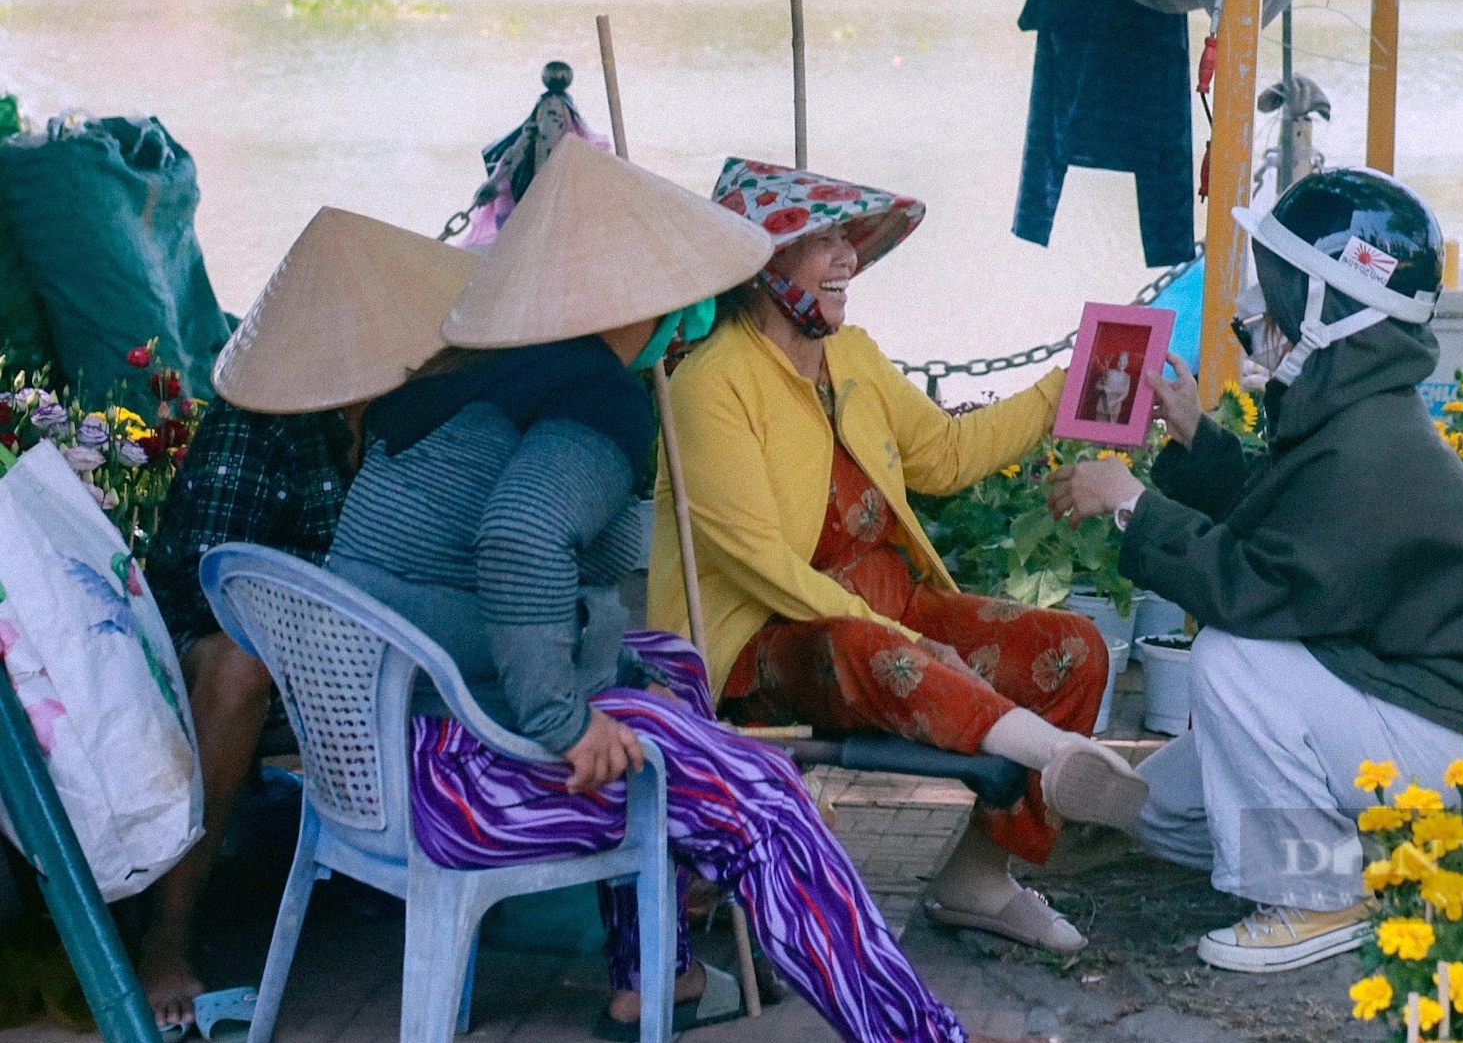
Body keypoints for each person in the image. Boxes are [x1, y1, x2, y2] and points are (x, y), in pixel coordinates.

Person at [327, 137, 1006, 1043]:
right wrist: (565, 722)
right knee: (762, 794)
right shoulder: (594, 398)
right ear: (645, 297)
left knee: (671, 664)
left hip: (368, 754)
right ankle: (916, 1035)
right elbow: (519, 537)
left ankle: (654, 974)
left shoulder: (471, 374)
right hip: (457, 778)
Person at [1049, 168, 1463, 975]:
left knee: (1234, 659)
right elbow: (1289, 524)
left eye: (1283, 297)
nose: (1263, 317)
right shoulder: (1361, 412)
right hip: (1411, 706)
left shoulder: (1368, 448)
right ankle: (1176, 821)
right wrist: (1196, 438)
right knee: (1199, 777)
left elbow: (1254, 587)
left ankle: (1318, 896)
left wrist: (1131, 506)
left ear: (1336, 309)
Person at [653, 158, 1147, 954]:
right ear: (763, 266)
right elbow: (759, 563)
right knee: (867, 643)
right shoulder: (711, 382)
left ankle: (977, 880)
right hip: (766, 642)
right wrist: (907, 641)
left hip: (890, 614)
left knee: (1072, 647)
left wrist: (1063, 391)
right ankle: (1057, 757)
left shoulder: (855, 357)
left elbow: (946, 456)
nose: (847, 254)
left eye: (848, 234)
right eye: (821, 239)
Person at [139, 208, 479, 1029]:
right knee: (233, 665)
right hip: (250, 652)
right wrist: (324, 608)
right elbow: (200, 581)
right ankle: (166, 936)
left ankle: (462, 876)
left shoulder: (427, 419)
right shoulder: (260, 425)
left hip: (384, 650)